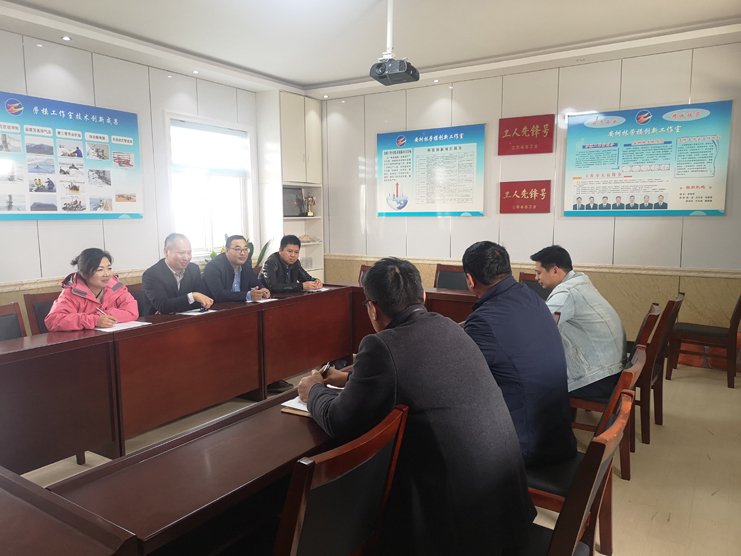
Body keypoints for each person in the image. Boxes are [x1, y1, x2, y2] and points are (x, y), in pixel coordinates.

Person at [298, 258, 535, 556]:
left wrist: (314, 390)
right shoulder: (449, 326)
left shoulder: (380, 345)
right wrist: (349, 378)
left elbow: (339, 421)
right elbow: (414, 374)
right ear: (422, 296)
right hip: (507, 513)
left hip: (459, 533)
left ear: (373, 309)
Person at [462, 241, 576, 467]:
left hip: (525, 449)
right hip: (559, 436)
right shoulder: (532, 298)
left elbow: (462, 378)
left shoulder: (483, 321)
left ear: (470, 280)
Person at [530, 245, 626, 398]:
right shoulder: (579, 282)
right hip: (613, 369)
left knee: (528, 380)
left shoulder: (567, 292)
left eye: (538, 273)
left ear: (554, 270)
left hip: (599, 378)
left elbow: (537, 327)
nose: (536, 278)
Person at [45, 248, 138, 331]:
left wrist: (104, 316)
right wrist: (94, 320)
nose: (107, 274)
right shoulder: (71, 293)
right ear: (84, 274)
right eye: (100, 270)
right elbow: (53, 320)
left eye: (109, 268)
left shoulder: (116, 287)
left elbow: (132, 312)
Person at [142, 233, 213, 315]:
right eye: (181, 253)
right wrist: (192, 297)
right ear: (166, 251)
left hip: (186, 317)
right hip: (156, 321)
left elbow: (202, 299)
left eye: (189, 253)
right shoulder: (152, 275)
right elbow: (163, 306)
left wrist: (172, 307)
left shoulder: (193, 269)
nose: (186, 258)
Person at [203, 235, 270, 303]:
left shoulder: (246, 265)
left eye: (245, 249)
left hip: (242, 305)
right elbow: (219, 295)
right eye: (238, 249)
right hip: (220, 307)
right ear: (227, 250)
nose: (243, 253)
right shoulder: (213, 267)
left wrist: (262, 290)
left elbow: (256, 284)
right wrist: (247, 295)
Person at [259, 234, 323, 293]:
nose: (293, 255)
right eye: (289, 251)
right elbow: (273, 287)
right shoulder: (270, 263)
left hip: (289, 297)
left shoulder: (295, 263)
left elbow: (306, 278)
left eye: (296, 252)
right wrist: (301, 286)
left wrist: (316, 281)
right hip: (271, 298)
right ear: (280, 251)